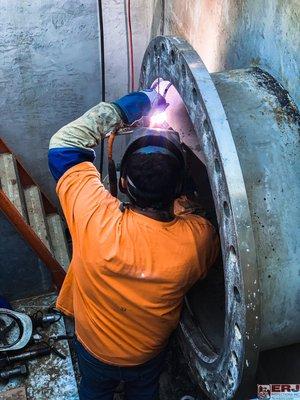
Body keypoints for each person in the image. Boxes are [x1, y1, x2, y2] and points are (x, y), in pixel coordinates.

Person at [48, 89, 219, 400]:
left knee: (94, 391)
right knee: (144, 392)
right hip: (146, 353)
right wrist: (182, 198)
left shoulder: (95, 220)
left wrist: (143, 100)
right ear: (178, 188)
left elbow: (64, 145)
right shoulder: (198, 239)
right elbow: (195, 215)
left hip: (94, 348)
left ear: (123, 184)